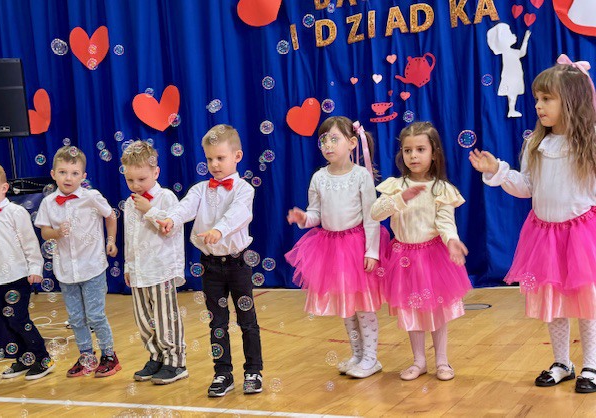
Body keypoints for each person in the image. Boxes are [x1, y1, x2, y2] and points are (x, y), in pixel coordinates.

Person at [469, 55, 596, 393]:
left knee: (587, 302)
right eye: (537, 98)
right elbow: (526, 186)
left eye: (547, 98)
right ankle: (562, 362)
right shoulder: (536, 144)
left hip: (582, 234)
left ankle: (591, 364)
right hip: (546, 235)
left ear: (571, 100)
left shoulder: (590, 143)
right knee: (553, 301)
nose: (538, 105)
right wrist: (497, 171)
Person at [157, 124, 263, 397]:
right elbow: (184, 207)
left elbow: (239, 213)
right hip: (210, 265)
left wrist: (219, 230)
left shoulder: (243, 189)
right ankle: (223, 373)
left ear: (237, 156)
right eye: (209, 158)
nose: (214, 164)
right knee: (217, 323)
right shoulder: (200, 189)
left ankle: (253, 371)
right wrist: (171, 219)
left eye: (220, 158)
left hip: (238, 264)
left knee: (247, 320)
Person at [285, 116, 389, 379]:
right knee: (346, 306)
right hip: (331, 249)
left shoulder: (361, 176)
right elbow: (315, 214)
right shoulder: (319, 177)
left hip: (356, 247)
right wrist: (303, 218)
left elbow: (372, 216)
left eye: (334, 139)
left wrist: (372, 251)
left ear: (352, 142)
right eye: (323, 140)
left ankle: (371, 358)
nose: (328, 145)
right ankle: (357, 354)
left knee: (363, 306)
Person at [371, 121, 471, 381]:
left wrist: (452, 240)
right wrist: (400, 198)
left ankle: (442, 361)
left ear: (434, 153)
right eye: (407, 150)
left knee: (436, 310)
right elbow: (376, 213)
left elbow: (445, 222)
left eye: (420, 149)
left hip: (432, 258)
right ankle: (419, 361)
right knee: (411, 310)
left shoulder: (441, 189)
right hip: (403, 257)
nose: (413, 156)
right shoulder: (395, 186)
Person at [34, 146, 120, 378]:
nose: (68, 178)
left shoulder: (91, 197)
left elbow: (110, 216)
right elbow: (44, 232)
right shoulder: (48, 202)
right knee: (75, 318)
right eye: (63, 172)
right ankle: (86, 356)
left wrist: (111, 240)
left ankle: (109, 355)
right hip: (66, 270)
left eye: (74, 173)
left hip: (92, 267)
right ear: (53, 174)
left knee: (95, 315)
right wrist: (56, 233)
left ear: (83, 176)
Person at [0, 160, 54, 380]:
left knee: (19, 319)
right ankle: (24, 358)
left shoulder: (15, 213)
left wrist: (35, 268)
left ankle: (42, 358)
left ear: (4, 188)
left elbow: (30, 243)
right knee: (7, 322)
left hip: (17, 277)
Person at [120, 140, 188, 385]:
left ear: (156, 172)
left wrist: (149, 210)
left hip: (161, 269)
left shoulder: (166, 197)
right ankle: (156, 356)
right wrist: (128, 265)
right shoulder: (130, 203)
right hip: (139, 271)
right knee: (144, 319)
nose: (136, 185)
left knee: (165, 317)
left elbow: (171, 228)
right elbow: (129, 237)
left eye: (142, 179)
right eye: (130, 180)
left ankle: (175, 361)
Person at [486, 23, 531, 118]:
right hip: (511, 75)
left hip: (515, 75)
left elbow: (522, 53)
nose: (513, 35)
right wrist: (525, 40)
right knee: (512, 93)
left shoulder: (511, 52)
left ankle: (512, 110)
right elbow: (521, 53)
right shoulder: (508, 52)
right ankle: (511, 110)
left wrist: (525, 40)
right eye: (510, 34)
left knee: (513, 93)